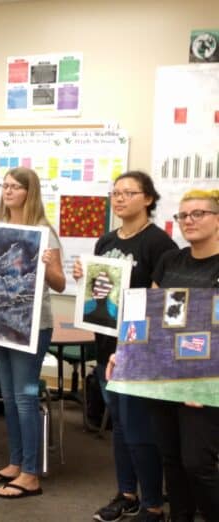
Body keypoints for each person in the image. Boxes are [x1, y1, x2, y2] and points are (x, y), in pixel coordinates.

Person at [74, 171, 177, 522]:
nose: (118, 199)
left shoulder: (159, 244)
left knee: (139, 427)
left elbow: (159, 302)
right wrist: (84, 279)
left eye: (128, 193)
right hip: (105, 345)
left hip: (138, 348)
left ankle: (152, 503)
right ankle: (126, 493)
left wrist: (134, 347)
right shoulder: (104, 241)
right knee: (118, 423)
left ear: (147, 198)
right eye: (115, 193)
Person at [0, 167, 65, 498]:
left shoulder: (43, 232)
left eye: (15, 186)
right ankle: (15, 463)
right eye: (5, 186)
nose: (8, 191)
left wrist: (45, 264)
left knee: (26, 397)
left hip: (33, 326)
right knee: (9, 397)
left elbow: (59, 283)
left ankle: (31, 473)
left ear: (30, 192)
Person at [143, 189, 218, 522]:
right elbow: (152, 316)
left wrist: (206, 382)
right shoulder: (170, 260)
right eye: (183, 215)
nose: (189, 220)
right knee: (170, 459)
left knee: (198, 463)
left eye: (198, 213)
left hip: (206, 383)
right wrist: (127, 355)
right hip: (166, 376)